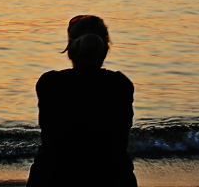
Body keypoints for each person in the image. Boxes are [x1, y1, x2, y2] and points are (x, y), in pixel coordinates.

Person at [26, 15, 137, 187]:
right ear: (105, 48)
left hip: (53, 177)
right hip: (113, 178)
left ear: (71, 48)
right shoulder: (121, 85)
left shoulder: (50, 84)